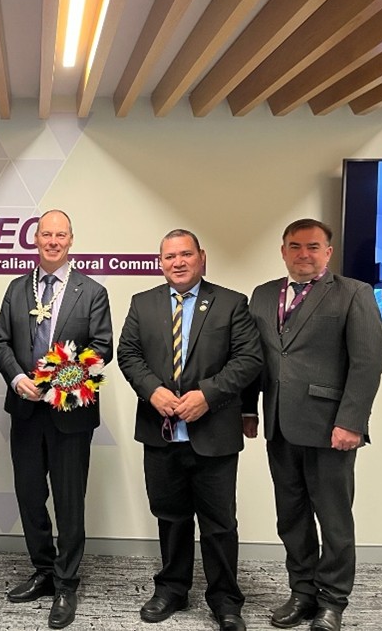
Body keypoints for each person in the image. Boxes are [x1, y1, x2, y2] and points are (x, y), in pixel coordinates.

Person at [242, 218, 382, 631]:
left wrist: (351, 421)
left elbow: (367, 362)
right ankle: (302, 592)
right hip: (279, 425)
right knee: (291, 517)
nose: (303, 254)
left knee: (334, 519)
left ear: (328, 252)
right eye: (295, 246)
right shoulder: (263, 294)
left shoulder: (353, 293)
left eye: (313, 247)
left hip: (330, 429)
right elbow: (253, 358)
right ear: (283, 250)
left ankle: (332, 601)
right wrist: (248, 409)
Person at [117, 229, 261, 631]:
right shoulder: (142, 303)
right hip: (160, 432)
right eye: (169, 257)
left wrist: (207, 396)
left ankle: (225, 599)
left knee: (220, 523)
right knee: (170, 517)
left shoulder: (231, 303)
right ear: (160, 263)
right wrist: (153, 390)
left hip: (213, 433)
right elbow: (128, 353)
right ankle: (172, 589)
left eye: (185, 254)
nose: (177, 262)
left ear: (202, 257)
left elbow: (249, 359)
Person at [0, 209, 113, 630]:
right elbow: (1, 342)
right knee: (29, 495)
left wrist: (54, 383)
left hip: (70, 414)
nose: (53, 241)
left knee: (68, 500)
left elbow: (101, 349)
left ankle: (66, 582)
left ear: (71, 240)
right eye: (47, 234)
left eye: (61, 235)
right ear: (35, 239)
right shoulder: (16, 288)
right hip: (25, 410)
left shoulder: (92, 291)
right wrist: (17, 378)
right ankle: (43, 570)